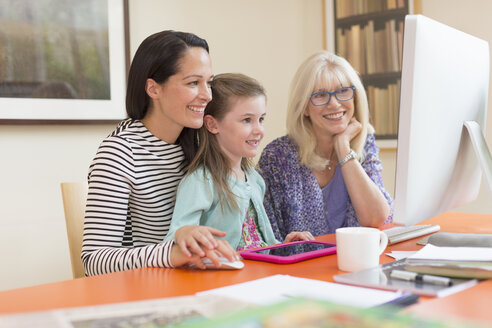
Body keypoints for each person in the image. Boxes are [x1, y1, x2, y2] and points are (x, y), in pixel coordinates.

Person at [82, 30, 237, 276]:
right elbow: (95, 260)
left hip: (197, 281)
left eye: (209, 82)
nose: (207, 94)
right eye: (193, 83)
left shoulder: (199, 144)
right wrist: (172, 251)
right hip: (145, 291)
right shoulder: (120, 153)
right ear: (153, 89)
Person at [164, 73, 313, 250]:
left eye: (261, 119)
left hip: (260, 273)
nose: (259, 130)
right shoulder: (200, 182)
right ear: (212, 125)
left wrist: (284, 245)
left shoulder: (254, 179)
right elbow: (175, 240)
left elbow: (260, 241)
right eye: (247, 120)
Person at [257, 51, 393, 243]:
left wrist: (343, 148)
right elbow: (266, 237)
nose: (335, 103)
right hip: (300, 269)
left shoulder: (364, 144)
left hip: (357, 263)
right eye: (320, 95)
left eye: (343, 91)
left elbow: (375, 217)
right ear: (304, 107)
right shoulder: (277, 156)